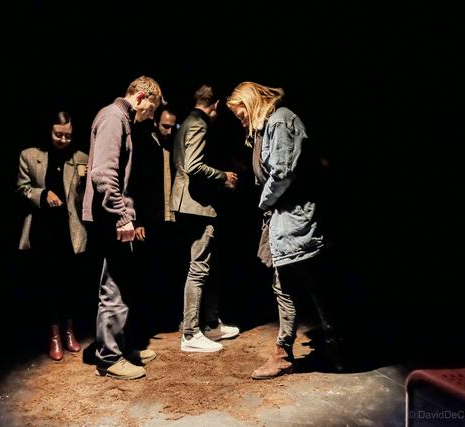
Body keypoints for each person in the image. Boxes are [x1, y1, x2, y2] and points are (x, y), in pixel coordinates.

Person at [226, 81, 344, 379]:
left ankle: (338, 347)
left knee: (315, 285)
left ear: (250, 103)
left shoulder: (281, 120)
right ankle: (284, 353)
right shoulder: (267, 126)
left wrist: (263, 202)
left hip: (296, 220)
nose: (241, 121)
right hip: (283, 220)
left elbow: (282, 173)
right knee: (285, 286)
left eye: (241, 114)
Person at [82, 76, 163, 380]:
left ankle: (121, 347)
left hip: (113, 217)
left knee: (124, 283)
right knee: (113, 287)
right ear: (141, 97)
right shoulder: (113, 118)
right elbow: (103, 173)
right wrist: (121, 215)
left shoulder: (122, 119)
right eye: (151, 109)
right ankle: (109, 358)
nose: (151, 116)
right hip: (109, 219)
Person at [170, 85, 240, 353]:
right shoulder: (199, 124)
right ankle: (190, 333)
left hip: (191, 204)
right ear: (217, 105)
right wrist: (224, 176)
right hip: (196, 206)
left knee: (208, 265)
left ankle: (210, 323)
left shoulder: (187, 122)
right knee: (199, 267)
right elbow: (193, 166)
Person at [17, 111, 88, 361]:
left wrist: (84, 183)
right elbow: (22, 188)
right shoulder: (30, 155)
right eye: (58, 134)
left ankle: (69, 331)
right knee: (49, 284)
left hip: (71, 230)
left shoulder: (80, 158)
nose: (63, 140)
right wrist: (43, 193)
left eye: (68, 135)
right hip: (43, 229)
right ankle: (54, 335)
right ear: (49, 131)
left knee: (71, 282)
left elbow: (84, 198)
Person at [128, 106, 180, 333]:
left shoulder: (174, 145)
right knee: (146, 272)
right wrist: (137, 220)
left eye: (172, 127)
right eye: (165, 126)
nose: (169, 131)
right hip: (149, 221)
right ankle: (146, 324)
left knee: (169, 270)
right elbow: (134, 184)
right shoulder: (143, 146)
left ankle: (167, 319)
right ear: (156, 123)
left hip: (172, 220)